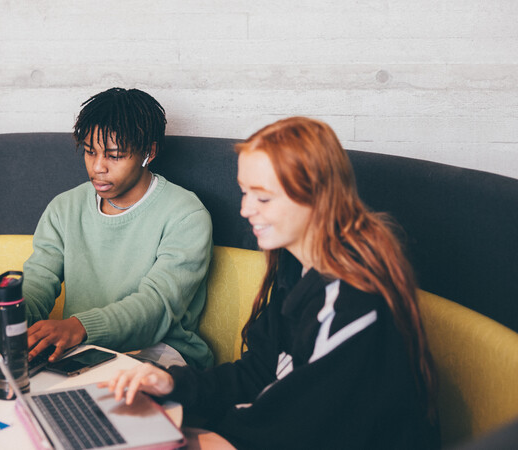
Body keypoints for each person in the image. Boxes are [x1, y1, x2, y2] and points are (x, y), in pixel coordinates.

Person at [105, 117, 440, 449]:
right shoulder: (295, 269)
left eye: (263, 198)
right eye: (245, 193)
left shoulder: (353, 303)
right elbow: (259, 373)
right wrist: (170, 384)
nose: (245, 209)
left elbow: (306, 429)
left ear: (317, 198)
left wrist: (210, 438)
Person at [22, 87, 214, 370]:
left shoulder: (186, 214)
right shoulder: (65, 207)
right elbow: (38, 280)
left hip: (161, 356)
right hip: (80, 354)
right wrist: (10, 317)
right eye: (89, 152)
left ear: (148, 152)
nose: (98, 167)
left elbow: (156, 307)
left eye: (115, 155)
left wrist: (78, 327)